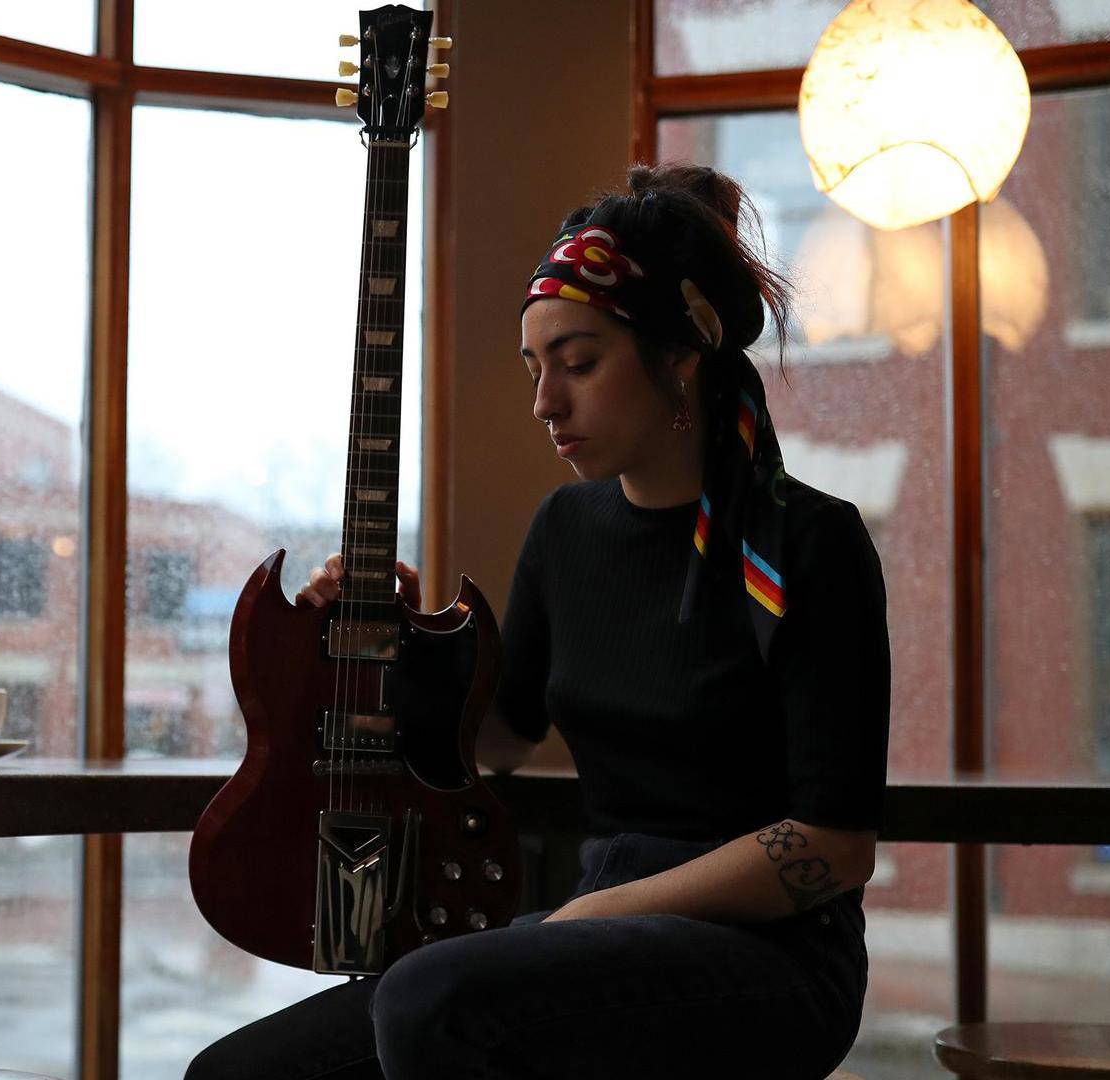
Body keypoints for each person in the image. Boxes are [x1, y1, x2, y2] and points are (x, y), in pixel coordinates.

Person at [185, 161, 891, 1080]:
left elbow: (834, 848)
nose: (544, 403)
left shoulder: (814, 543)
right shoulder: (568, 530)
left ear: (680, 356)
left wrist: (597, 913)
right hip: (596, 924)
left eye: (580, 363)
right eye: (535, 369)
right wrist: (382, 638)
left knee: (426, 1000)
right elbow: (498, 740)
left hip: (775, 958)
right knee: (236, 1075)